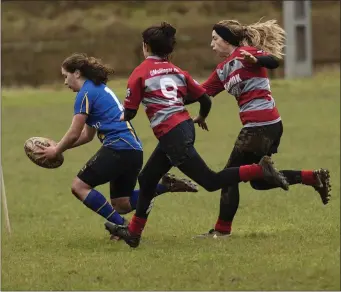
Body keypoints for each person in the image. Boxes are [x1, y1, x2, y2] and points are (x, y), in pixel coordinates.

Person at [104, 22, 290, 248]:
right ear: (169, 50)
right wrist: (201, 116)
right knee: (147, 179)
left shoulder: (140, 72)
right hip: (182, 128)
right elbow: (203, 97)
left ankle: (260, 170)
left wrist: (116, 118)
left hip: (172, 134)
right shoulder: (177, 71)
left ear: (145, 46)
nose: (212, 44)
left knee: (211, 181)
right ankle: (133, 233)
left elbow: (130, 112)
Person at [195, 19, 331, 238]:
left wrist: (256, 57)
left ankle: (221, 232)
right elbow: (200, 92)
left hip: (262, 126)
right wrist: (172, 90)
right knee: (258, 182)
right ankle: (312, 177)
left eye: (215, 39)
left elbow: (273, 61)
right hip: (261, 127)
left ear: (227, 39)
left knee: (229, 176)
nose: (212, 44)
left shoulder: (246, 53)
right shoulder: (222, 70)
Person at [36, 53, 199, 232]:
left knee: (79, 186)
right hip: (132, 150)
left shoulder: (85, 93)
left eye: (65, 76)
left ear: (76, 73)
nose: (65, 82)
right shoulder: (97, 88)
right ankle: (164, 186)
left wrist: (56, 150)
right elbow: (86, 136)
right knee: (122, 204)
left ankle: (122, 226)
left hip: (118, 147)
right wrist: (59, 147)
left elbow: (75, 133)